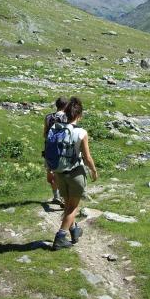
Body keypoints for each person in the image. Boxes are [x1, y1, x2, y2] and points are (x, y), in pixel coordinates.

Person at [52, 97, 98, 250]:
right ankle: (60, 236)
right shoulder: (81, 132)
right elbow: (87, 157)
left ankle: (74, 230)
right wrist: (93, 170)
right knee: (73, 208)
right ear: (79, 115)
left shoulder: (57, 129)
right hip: (75, 173)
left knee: (67, 205)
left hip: (59, 173)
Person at [43, 96, 68, 205]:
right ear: (66, 106)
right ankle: (63, 198)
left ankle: (56, 196)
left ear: (56, 105)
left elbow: (44, 134)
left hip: (49, 149)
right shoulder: (68, 117)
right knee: (62, 174)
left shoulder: (48, 117)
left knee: (51, 173)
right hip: (63, 150)